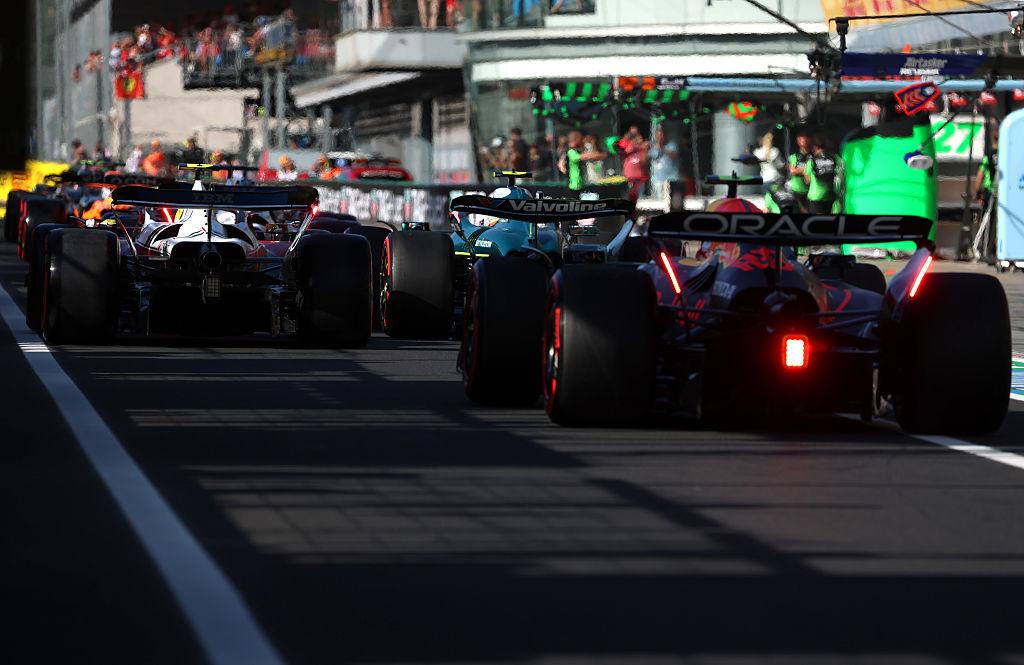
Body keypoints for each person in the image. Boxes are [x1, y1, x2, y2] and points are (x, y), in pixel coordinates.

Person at [806, 133, 842, 214]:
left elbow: (807, 181)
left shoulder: (811, 161)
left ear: (814, 147)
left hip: (815, 197)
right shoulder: (835, 158)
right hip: (830, 196)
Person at [648, 125, 679, 198]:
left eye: (661, 135)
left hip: (671, 178)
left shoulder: (671, 145)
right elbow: (648, 159)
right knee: (659, 200)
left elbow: (674, 155)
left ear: (664, 136)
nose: (660, 137)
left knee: (671, 200)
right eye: (658, 135)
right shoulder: (653, 147)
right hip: (658, 179)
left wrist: (662, 148)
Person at [787, 128, 814, 212]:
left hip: (810, 192)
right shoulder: (794, 156)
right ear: (797, 140)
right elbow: (793, 171)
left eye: (806, 137)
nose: (803, 139)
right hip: (796, 192)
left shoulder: (814, 156)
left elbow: (817, 170)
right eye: (801, 137)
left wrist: (800, 170)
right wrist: (808, 170)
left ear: (810, 139)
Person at [621, 133, 650, 200]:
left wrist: (645, 150)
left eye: (641, 139)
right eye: (638, 139)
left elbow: (644, 161)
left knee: (639, 200)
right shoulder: (628, 148)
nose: (640, 140)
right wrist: (634, 146)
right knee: (627, 199)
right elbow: (622, 149)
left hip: (639, 180)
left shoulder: (642, 151)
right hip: (628, 180)